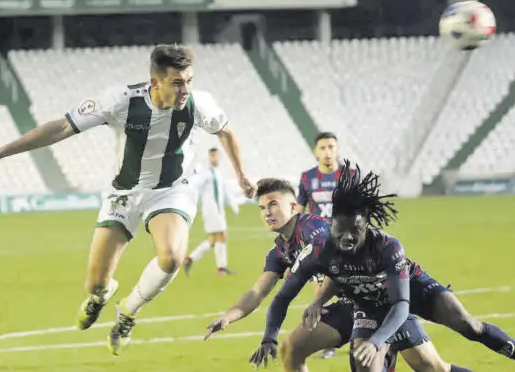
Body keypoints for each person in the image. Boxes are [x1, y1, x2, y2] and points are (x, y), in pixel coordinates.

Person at [0, 44, 256, 356]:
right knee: (95, 283)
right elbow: (63, 127)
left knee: (172, 256)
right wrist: (0, 151)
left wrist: (241, 174)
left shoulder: (199, 104)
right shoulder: (120, 101)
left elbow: (225, 132)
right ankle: (101, 295)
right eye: (178, 82)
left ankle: (127, 313)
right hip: (123, 193)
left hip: (171, 190)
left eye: (189, 80)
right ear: (155, 82)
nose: (186, 89)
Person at [246, 161, 473, 371]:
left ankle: (385, 347)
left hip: (381, 304)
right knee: (292, 348)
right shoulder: (296, 247)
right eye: (262, 207)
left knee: (433, 367)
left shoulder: (329, 235)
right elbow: (279, 295)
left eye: (273, 205)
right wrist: (268, 335)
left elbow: (358, 272)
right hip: (350, 305)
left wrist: (319, 300)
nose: (267, 213)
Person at [297, 131, 341, 359]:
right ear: (316, 151)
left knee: (353, 295)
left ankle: (360, 336)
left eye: (331, 147)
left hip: (347, 247)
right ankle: (329, 342)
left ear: (337, 149)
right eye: (323, 148)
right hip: (319, 247)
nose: (327, 152)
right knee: (320, 296)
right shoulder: (307, 178)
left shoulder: (350, 175)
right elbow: (299, 213)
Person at [183, 148, 239, 275]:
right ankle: (221, 267)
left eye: (216, 155)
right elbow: (196, 186)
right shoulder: (206, 173)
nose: (214, 158)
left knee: (214, 239)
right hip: (211, 211)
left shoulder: (217, 173)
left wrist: (234, 206)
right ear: (209, 157)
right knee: (222, 236)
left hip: (218, 211)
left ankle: (190, 259)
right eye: (212, 155)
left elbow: (225, 192)